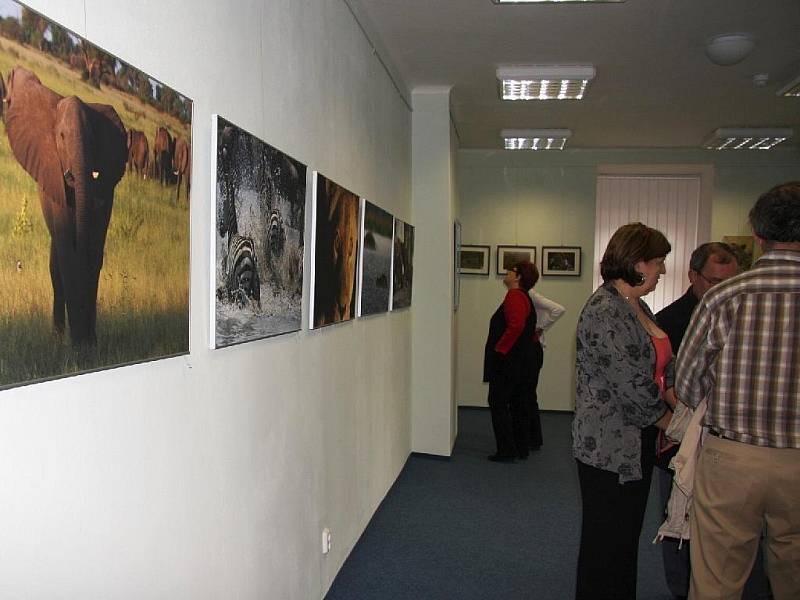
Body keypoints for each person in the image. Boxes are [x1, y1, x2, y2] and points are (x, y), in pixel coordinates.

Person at [676, 182, 800, 600]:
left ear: (759, 237)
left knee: (717, 579)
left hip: (732, 456)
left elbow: (688, 384)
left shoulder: (724, 297)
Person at [573, 222, 676, 600]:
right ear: (636, 261)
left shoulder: (635, 304)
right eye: (658, 261)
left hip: (636, 441)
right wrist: (675, 424)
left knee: (623, 540)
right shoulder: (605, 311)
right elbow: (631, 384)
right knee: (606, 543)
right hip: (609, 448)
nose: (662, 269)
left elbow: (659, 365)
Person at [654, 242, 740, 599]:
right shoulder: (671, 319)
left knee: (724, 526)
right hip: (680, 436)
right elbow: (663, 381)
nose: (722, 289)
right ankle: (680, 589)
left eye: (730, 280)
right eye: (713, 280)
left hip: (728, 438)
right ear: (693, 277)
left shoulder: (744, 312)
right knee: (677, 515)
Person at [483, 261, 538, 462]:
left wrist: (500, 349)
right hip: (520, 360)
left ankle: (506, 450)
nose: (506, 273)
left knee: (498, 402)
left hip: (509, 361)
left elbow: (516, 326)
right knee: (517, 403)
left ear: (518, 277)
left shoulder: (514, 296)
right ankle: (520, 448)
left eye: (511, 271)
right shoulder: (523, 297)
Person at [528, 280, 565, 450]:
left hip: (534, 350)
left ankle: (534, 439)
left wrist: (540, 327)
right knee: (528, 395)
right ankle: (531, 438)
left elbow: (559, 309)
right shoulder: (526, 295)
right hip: (532, 350)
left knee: (528, 395)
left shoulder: (532, 295)